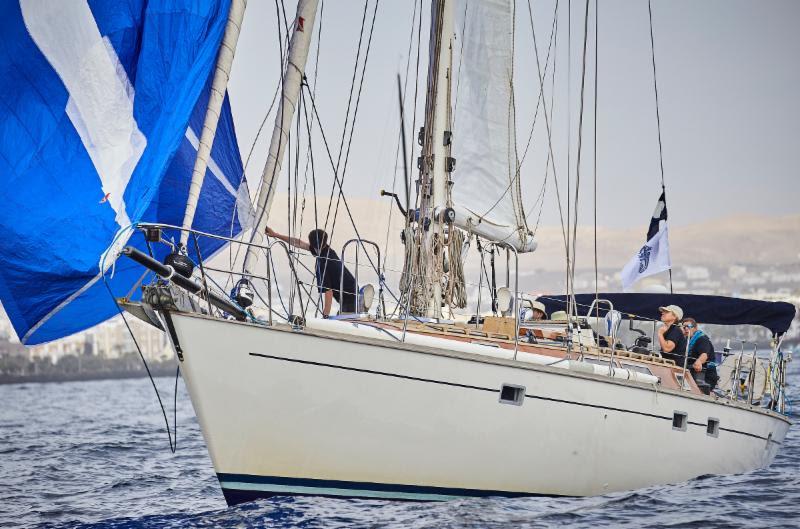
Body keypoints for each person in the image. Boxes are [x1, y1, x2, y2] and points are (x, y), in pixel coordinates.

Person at [266, 227, 357, 317]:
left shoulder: (322, 263)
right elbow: (299, 243)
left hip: (351, 302)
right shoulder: (327, 250)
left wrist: (325, 315)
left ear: (312, 243)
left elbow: (328, 292)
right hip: (357, 295)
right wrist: (275, 235)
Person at [681, 317, 719, 390]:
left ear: (695, 328)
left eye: (688, 327)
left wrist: (699, 362)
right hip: (691, 372)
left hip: (705, 375)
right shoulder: (686, 340)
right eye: (684, 327)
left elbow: (704, 354)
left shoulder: (702, 339)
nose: (686, 329)